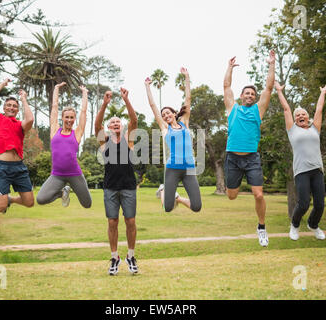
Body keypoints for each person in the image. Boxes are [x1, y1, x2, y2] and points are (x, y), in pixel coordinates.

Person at [223, 51, 275, 247]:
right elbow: (226, 86)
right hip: (232, 159)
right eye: (247, 93)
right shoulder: (233, 108)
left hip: (252, 158)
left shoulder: (258, 110)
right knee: (231, 195)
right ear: (242, 96)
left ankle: (261, 227)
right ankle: (234, 189)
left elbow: (268, 88)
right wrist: (229, 67)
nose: (250, 95)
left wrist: (271, 64)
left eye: (253, 94)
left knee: (259, 194)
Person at [275, 81, 326, 241]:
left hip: (317, 170)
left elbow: (319, 109)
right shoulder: (292, 131)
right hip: (301, 172)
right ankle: (294, 225)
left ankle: (313, 225)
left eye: (303, 114)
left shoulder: (315, 128)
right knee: (304, 203)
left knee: (320, 204)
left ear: (308, 117)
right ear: (294, 119)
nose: (300, 116)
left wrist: (323, 92)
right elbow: (286, 109)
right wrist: (279, 91)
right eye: (297, 115)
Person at [145, 67, 202, 213]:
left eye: (168, 113)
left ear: (174, 113)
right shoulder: (165, 128)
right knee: (168, 208)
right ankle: (163, 190)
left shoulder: (184, 123)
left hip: (189, 168)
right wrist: (147, 87)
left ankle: (179, 198)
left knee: (196, 207)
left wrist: (187, 77)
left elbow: (188, 99)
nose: (165, 116)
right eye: (163, 115)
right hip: (172, 169)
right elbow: (153, 106)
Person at [94, 88, 139, 276]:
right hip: (110, 187)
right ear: (109, 128)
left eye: (117, 122)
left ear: (122, 126)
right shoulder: (104, 142)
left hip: (128, 186)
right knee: (112, 222)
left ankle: (130, 255)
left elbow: (134, 121)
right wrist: (104, 104)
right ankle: (114, 257)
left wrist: (126, 100)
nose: (115, 123)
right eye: (112, 122)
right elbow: (97, 125)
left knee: (130, 221)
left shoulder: (128, 140)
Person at [0, 79, 35, 220]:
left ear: (17, 110)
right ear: (4, 108)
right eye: (9, 105)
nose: (11, 107)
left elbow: (30, 120)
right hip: (2, 168)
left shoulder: (20, 125)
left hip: (19, 168)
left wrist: (23, 99)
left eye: (14, 106)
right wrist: (3, 84)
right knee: (0, 207)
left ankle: (9, 199)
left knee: (29, 202)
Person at [36, 82, 92, 209]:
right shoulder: (55, 130)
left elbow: (83, 112)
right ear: (62, 118)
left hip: (75, 174)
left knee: (87, 204)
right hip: (57, 175)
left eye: (72, 117)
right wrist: (56, 88)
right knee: (40, 199)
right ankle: (63, 192)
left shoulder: (76, 133)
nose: (69, 120)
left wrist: (85, 93)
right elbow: (54, 107)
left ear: (74, 119)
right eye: (67, 117)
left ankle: (69, 188)